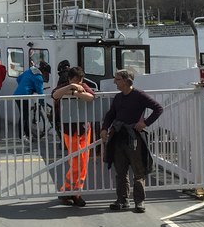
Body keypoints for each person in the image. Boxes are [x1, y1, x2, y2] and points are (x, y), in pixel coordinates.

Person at [100, 68, 164, 214]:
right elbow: (111, 114)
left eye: (117, 79)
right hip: (119, 138)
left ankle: (139, 201)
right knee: (120, 171)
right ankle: (122, 200)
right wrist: (104, 128)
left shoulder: (139, 95)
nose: (114, 81)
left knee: (138, 171)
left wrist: (145, 123)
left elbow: (158, 108)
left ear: (126, 81)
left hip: (134, 138)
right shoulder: (118, 97)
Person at [51, 67, 96, 206]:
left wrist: (77, 93)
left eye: (81, 80)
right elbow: (55, 95)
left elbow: (91, 97)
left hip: (84, 129)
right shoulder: (64, 87)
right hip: (69, 130)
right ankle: (69, 192)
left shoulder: (84, 86)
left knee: (84, 162)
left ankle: (73, 192)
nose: (79, 82)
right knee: (76, 162)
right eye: (76, 80)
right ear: (70, 79)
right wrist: (70, 87)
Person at [14, 61, 45, 140]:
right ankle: (22, 136)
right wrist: (43, 103)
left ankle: (27, 134)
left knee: (25, 115)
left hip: (17, 94)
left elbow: (18, 79)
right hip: (24, 95)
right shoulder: (39, 77)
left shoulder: (29, 71)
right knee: (24, 116)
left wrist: (25, 85)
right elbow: (40, 92)